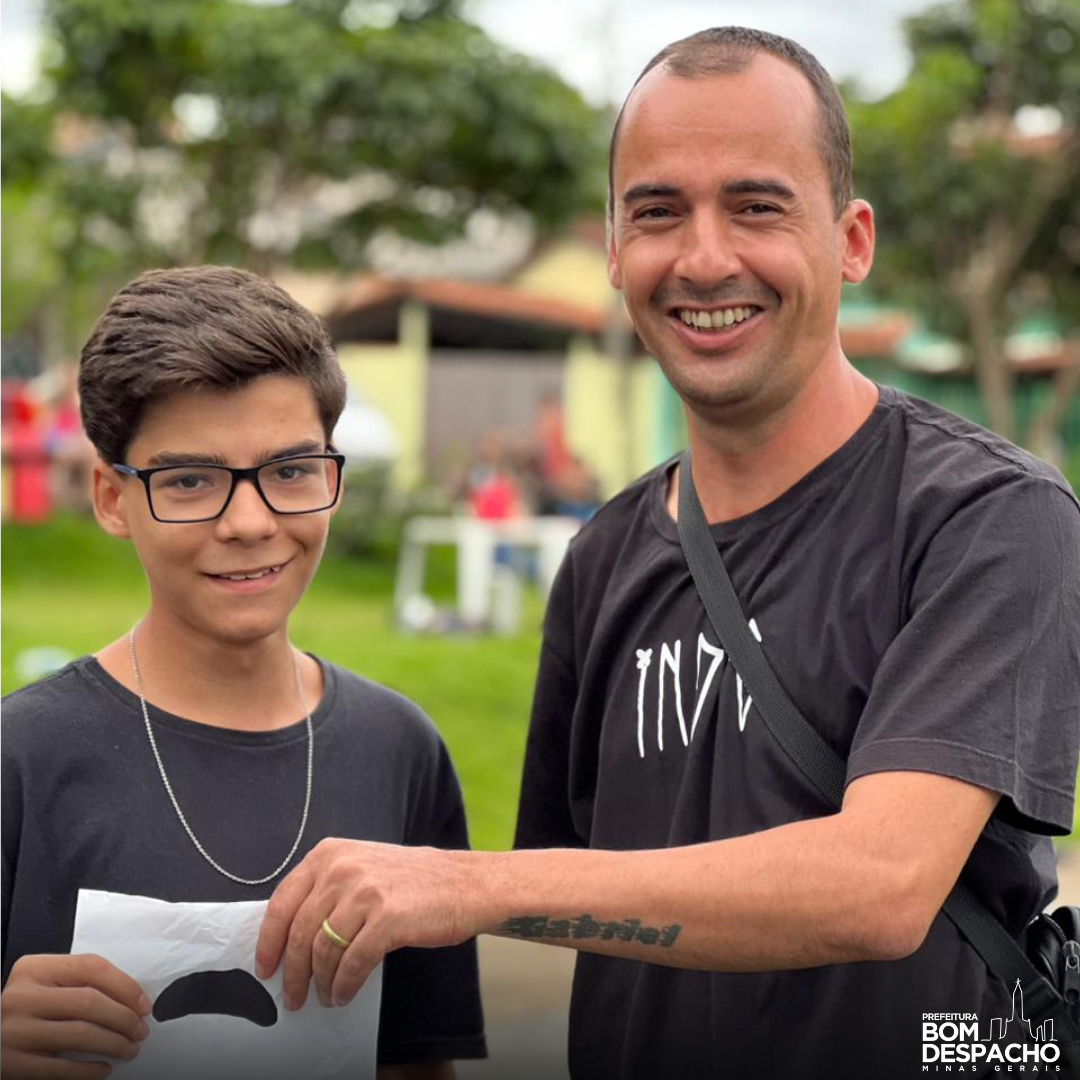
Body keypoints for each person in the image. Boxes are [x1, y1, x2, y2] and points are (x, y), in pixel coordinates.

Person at [253, 28, 1080, 1079]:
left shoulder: (990, 517)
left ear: (852, 240)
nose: (703, 258)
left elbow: (881, 886)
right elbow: (578, 892)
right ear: (613, 250)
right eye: (656, 213)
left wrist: (466, 885)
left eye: (757, 206)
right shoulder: (603, 560)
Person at [1, 267, 486, 1079]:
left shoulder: (400, 750)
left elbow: (414, 1059)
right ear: (112, 498)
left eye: (290, 471)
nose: (250, 522)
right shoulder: (21, 758)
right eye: (190, 481)